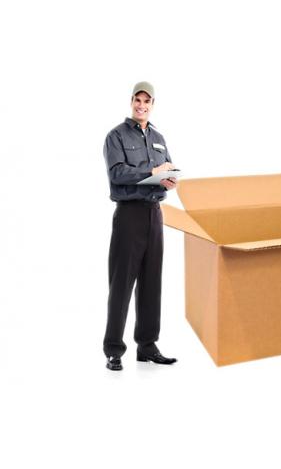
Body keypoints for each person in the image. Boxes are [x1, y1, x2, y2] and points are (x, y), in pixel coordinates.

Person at [102, 81, 177, 371]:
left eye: (147, 101)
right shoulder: (116, 136)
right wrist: (152, 171)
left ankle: (147, 345)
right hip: (129, 215)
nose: (142, 105)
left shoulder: (158, 137)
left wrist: (169, 179)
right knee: (121, 284)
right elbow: (117, 173)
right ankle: (113, 350)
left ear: (152, 104)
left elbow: (167, 167)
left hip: (154, 215)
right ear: (131, 101)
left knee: (151, 283)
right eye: (138, 100)